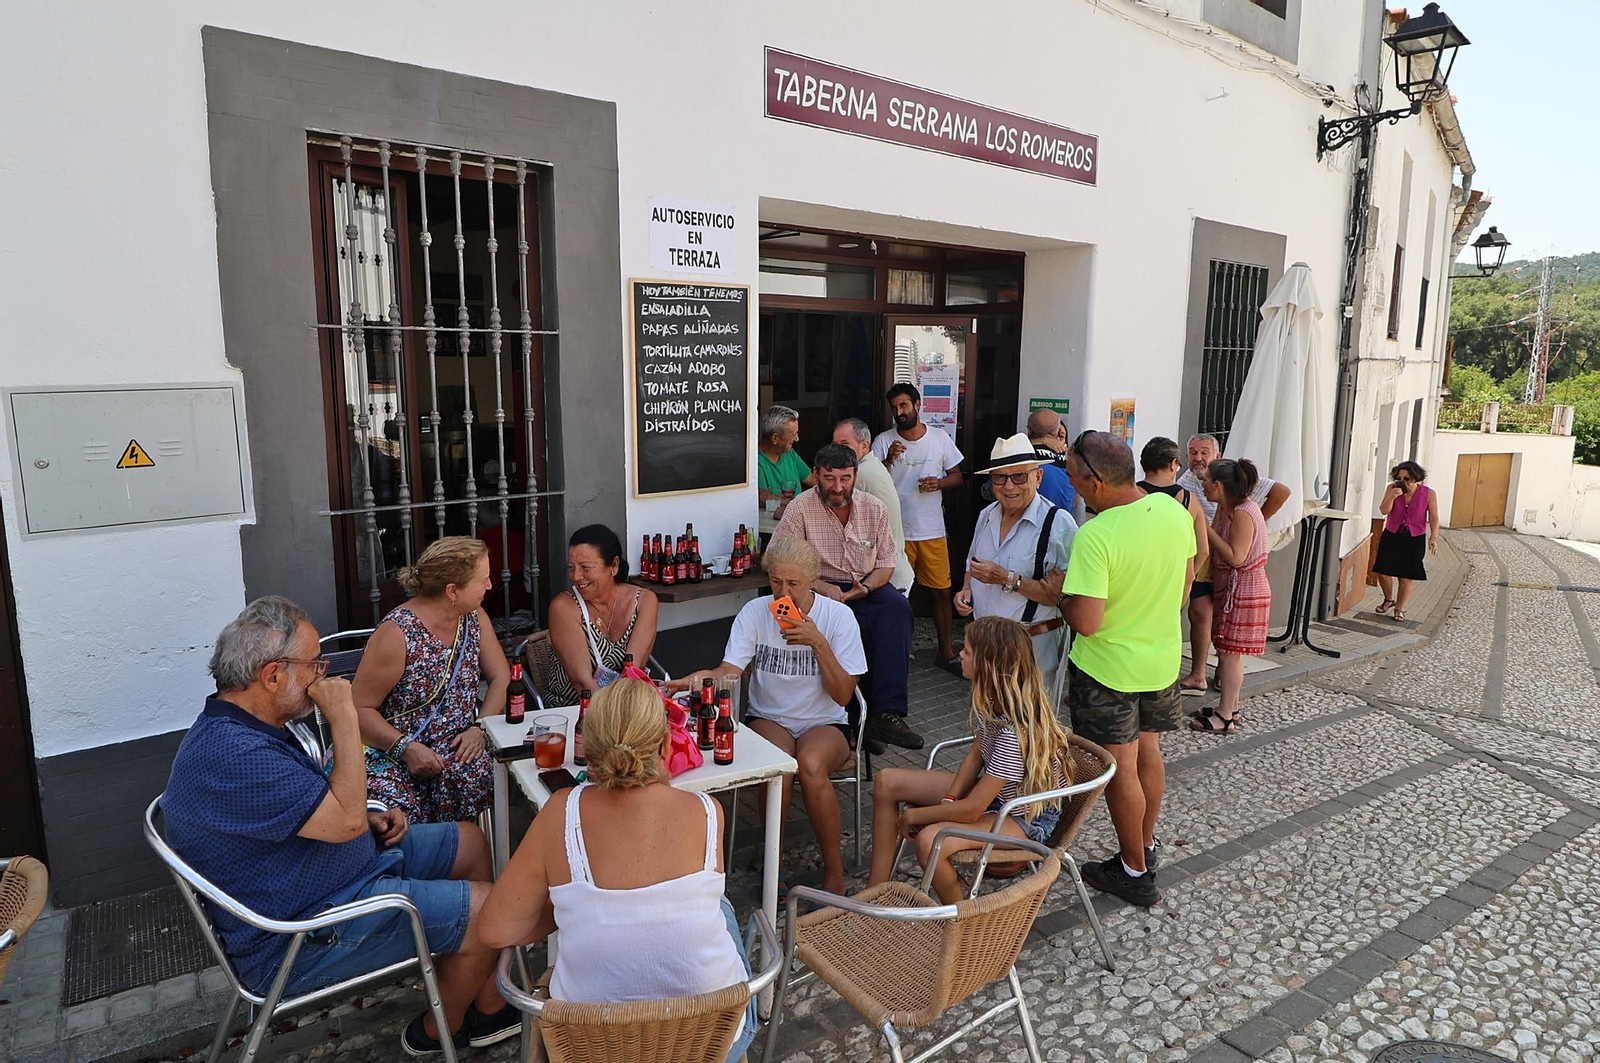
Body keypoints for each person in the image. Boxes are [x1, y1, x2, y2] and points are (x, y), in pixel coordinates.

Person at [162, 597, 523, 1055]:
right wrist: (345, 716)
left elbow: (328, 812)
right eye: (315, 664)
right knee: (487, 909)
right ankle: (440, 1030)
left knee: (470, 843)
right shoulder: (238, 755)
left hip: (331, 868)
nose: (325, 676)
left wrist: (367, 813)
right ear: (272, 676)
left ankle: (487, 1001)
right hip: (302, 936)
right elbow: (344, 820)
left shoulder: (248, 723)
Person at [478, 679, 757, 1063]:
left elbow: (495, 928)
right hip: (709, 1038)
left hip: (590, 1045)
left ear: (590, 747)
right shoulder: (707, 812)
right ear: (664, 745)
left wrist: (576, 906)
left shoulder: (562, 811)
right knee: (718, 903)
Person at [666, 539, 866, 896]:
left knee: (810, 763)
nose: (782, 592)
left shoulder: (838, 617)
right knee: (778, 765)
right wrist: (694, 680)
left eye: (793, 584)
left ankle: (834, 871)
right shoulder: (757, 612)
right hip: (769, 717)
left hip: (825, 721)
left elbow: (843, 695)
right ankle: (774, 863)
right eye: (776, 582)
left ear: (813, 580)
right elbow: (729, 670)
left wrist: (818, 643)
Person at [1061, 431, 1196, 907]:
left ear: (1096, 482)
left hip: (1108, 670)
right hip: (1161, 660)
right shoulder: (1174, 512)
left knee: (1120, 769)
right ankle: (1147, 846)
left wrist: (1063, 596)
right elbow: (1183, 590)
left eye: (1075, 477)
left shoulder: (1096, 534)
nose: (1073, 485)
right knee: (1149, 755)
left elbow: (1087, 622)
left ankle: (1133, 870)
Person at [865, 617, 1073, 902]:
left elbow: (972, 811)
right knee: (887, 781)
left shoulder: (1016, 733)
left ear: (988, 665)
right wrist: (950, 799)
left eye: (967, 651)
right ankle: (874, 892)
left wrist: (915, 816)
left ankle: (962, 917)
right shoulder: (993, 700)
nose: (959, 653)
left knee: (930, 841)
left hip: (1024, 816)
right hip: (998, 794)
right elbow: (975, 757)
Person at [771, 443, 922, 753]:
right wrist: (823, 588)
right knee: (841, 628)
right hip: (817, 589)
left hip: (865, 587)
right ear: (815, 475)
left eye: (845, 478)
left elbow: (886, 564)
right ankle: (850, 724)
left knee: (897, 609)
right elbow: (777, 559)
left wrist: (864, 589)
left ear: (855, 476)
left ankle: (886, 714)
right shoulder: (800, 507)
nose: (838, 487)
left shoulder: (873, 507)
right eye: (829, 478)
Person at [353, 537, 509, 826]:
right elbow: (358, 710)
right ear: (453, 590)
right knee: (396, 816)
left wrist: (479, 728)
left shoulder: (474, 617)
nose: (489, 586)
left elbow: (500, 676)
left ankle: (465, 859)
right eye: (483, 580)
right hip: (393, 753)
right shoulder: (397, 634)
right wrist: (406, 748)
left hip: (454, 748)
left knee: (481, 774)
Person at [954, 434, 1077, 684]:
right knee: (988, 721)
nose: (1009, 486)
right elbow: (972, 566)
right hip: (985, 647)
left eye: (1019, 476)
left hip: (1031, 648)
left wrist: (1005, 578)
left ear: (1038, 478)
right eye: (1000, 477)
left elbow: (1063, 596)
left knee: (1028, 721)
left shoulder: (1058, 524)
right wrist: (965, 591)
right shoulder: (986, 515)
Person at [1176, 434, 1290, 695]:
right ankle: (1203, 678)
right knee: (1207, 622)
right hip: (1214, 564)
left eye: (1204, 452)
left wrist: (1253, 524)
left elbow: (1237, 556)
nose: (1198, 457)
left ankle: (1227, 708)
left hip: (1238, 577)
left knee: (1230, 652)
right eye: (1192, 452)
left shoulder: (1237, 496)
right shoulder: (1195, 487)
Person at [872, 383, 965, 674]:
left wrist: (939, 483)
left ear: (917, 405)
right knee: (898, 596)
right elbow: (870, 480)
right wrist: (888, 460)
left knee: (941, 593)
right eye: (895, 408)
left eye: (904, 406)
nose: (899, 412)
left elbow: (957, 476)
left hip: (931, 529)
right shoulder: (883, 441)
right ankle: (901, 651)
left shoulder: (938, 439)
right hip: (895, 532)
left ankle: (947, 651)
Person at [1192, 459, 1270, 735]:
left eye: (1206, 480)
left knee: (1231, 655)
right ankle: (1230, 708)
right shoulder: (1227, 509)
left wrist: (1205, 529)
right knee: (1227, 651)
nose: (1202, 484)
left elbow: (1236, 556)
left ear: (1218, 485)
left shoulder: (1243, 513)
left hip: (1245, 588)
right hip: (1232, 587)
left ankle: (1225, 716)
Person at [541, 524, 659, 703]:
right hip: (572, 709)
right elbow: (582, 683)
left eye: (585, 567)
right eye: (571, 568)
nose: (576, 576)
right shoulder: (564, 607)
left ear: (614, 565)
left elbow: (633, 671)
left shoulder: (644, 601)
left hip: (624, 705)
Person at [833, 417, 914, 595]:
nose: (837, 450)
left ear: (864, 446)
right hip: (887, 570)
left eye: (845, 444)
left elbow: (824, 511)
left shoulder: (860, 473)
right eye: (835, 444)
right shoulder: (870, 465)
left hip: (885, 577)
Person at [1138, 437, 1210, 610]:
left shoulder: (1131, 496)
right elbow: (1203, 551)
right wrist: (1189, 577)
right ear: (1173, 464)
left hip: (1137, 580)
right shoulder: (1189, 500)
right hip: (1173, 584)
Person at [1373, 460, 1439, 622]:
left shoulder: (1428, 493)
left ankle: (1400, 609)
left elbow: (1434, 518)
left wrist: (1433, 538)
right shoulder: (1392, 489)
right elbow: (1383, 511)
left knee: (1406, 576)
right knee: (1382, 571)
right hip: (1392, 534)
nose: (1403, 481)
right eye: (1399, 478)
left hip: (1414, 538)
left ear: (1416, 478)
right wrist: (1392, 497)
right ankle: (1389, 599)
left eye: (1407, 478)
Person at [757, 404, 816, 518]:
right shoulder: (756, 461)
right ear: (775, 438)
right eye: (793, 434)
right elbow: (761, 497)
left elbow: (813, 480)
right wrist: (794, 505)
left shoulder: (790, 454)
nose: (797, 439)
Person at [1026, 407, 1077, 515]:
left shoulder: (1024, 455)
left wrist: (1041, 440)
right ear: (1057, 431)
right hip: (1063, 525)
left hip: (1031, 526)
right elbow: (1076, 501)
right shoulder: (1072, 461)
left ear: (1029, 431)